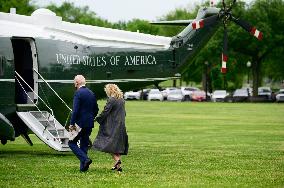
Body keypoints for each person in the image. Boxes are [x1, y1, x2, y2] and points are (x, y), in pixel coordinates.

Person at [93, 84, 129, 172]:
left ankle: (117, 160)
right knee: (116, 146)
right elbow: (124, 113)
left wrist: (97, 119)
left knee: (107, 144)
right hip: (120, 125)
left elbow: (105, 112)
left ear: (110, 90)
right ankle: (118, 166)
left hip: (112, 126)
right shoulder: (121, 100)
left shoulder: (111, 100)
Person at [68, 75, 99, 172]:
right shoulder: (91, 93)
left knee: (71, 143)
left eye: (74, 82)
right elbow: (96, 109)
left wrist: (72, 123)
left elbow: (75, 111)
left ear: (77, 83)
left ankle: (85, 159)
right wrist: (91, 118)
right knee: (84, 144)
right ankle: (83, 168)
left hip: (79, 123)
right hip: (89, 123)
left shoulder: (78, 93)